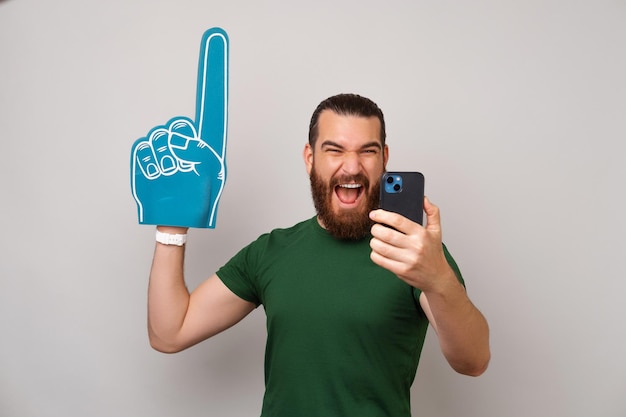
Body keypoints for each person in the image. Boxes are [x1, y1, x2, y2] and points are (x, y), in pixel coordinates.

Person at [147, 93, 490, 416]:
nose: (352, 167)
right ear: (310, 159)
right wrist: (171, 225)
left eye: (367, 151)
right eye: (335, 150)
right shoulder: (271, 252)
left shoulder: (414, 252)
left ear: (384, 159)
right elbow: (170, 333)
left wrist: (438, 278)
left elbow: (473, 360)